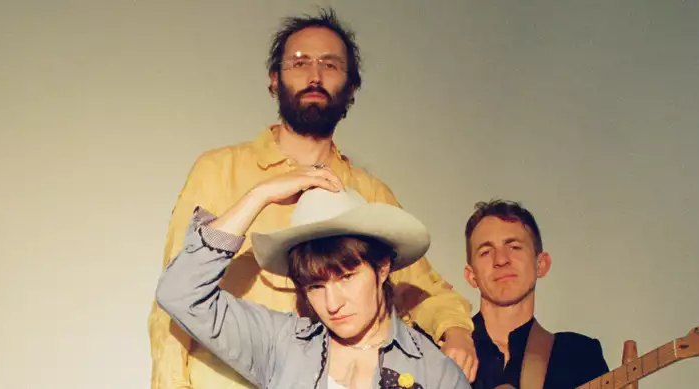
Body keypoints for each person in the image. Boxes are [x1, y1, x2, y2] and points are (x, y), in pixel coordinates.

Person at [148, 8, 476, 389]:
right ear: (274, 80)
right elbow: (173, 302)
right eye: (300, 63)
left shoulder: (368, 193)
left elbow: (423, 288)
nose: (315, 75)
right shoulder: (219, 171)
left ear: (351, 88)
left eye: (330, 65)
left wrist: (455, 330)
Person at [154, 171, 472, 389]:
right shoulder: (282, 343)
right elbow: (179, 293)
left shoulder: (434, 372)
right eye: (316, 286)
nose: (332, 304)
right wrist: (260, 195)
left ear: (383, 267)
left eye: (347, 278)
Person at [463, 200, 609, 389]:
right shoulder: (441, 351)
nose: (501, 260)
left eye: (514, 247)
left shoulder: (579, 356)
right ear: (471, 276)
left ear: (541, 264)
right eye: (485, 252)